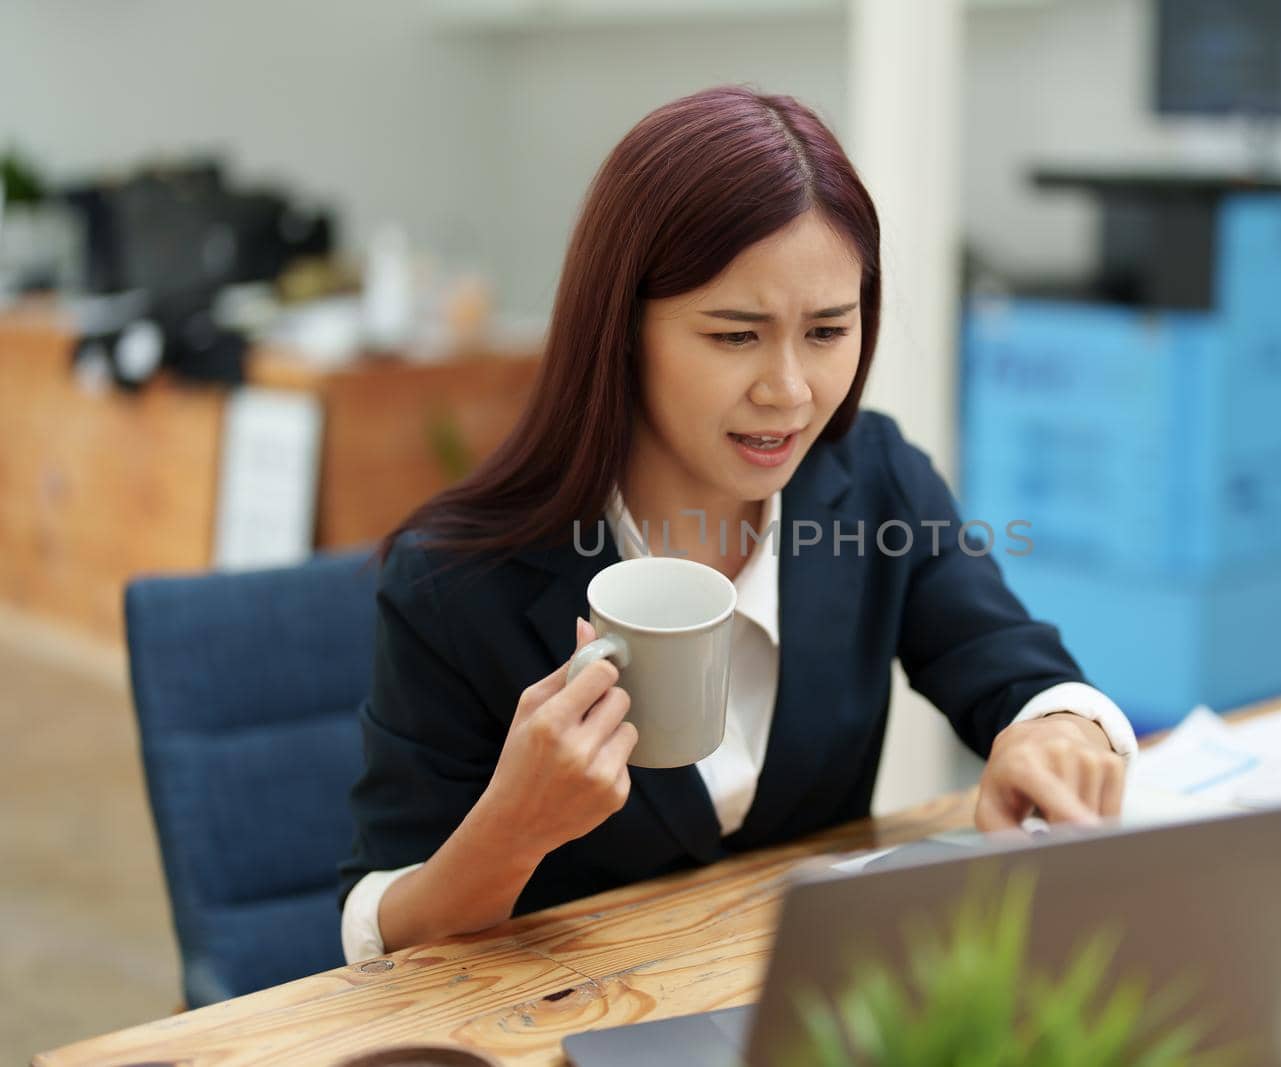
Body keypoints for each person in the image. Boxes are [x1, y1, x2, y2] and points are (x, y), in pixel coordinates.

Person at [338, 86, 1137, 963]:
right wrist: (513, 829)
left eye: (828, 330)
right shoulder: (454, 577)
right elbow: (381, 931)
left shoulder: (871, 487)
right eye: (734, 336)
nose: (788, 390)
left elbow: (1020, 670)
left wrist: (1061, 733)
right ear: (622, 328)